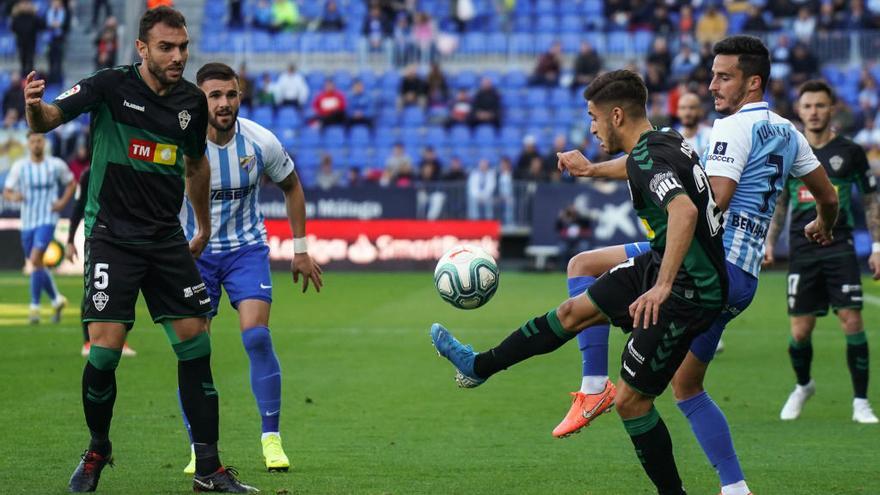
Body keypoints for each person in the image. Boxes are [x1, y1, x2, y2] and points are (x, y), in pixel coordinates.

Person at [553, 36, 839, 495]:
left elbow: (713, 198)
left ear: (753, 81)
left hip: (703, 265)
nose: (712, 86)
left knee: (584, 266)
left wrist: (670, 213)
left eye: (723, 77)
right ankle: (734, 488)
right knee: (687, 388)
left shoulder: (730, 129)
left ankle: (592, 385)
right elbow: (827, 196)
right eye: (712, 75)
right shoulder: (790, 133)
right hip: (742, 278)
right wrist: (822, 224)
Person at [432, 69, 732, 495]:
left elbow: (682, 211)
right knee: (573, 312)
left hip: (690, 290)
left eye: (593, 117)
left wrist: (663, 286)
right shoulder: (664, 139)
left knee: (632, 402)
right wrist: (591, 170)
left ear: (615, 115)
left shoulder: (651, 157)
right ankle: (479, 366)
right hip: (667, 262)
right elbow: (636, 167)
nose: (590, 127)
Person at [23, 7, 257, 492]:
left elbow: (195, 168)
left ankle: (209, 470)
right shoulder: (109, 85)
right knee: (105, 353)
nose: (178, 56)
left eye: (183, 47)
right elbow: (48, 121)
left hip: (166, 238)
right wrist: (32, 107)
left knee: (196, 345)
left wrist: (204, 226)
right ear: (142, 49)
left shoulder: (192, 103)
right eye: (167, 48)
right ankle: (97, 448)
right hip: (112, 235)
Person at [177, 62, 323, 473]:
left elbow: (292, 186)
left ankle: (271, 439)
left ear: (240, 96)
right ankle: (198, 446)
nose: (224, 103)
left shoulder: (261, 141)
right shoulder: (178, 144)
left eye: (231, 94)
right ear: (199, 99)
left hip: (246, 250)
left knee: (257, 338)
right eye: (214, 96)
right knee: (193, 352)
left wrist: (300, 249)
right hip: (194, 254)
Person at [765, 80, 880, 424]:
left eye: (820, 105)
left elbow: (872, 200)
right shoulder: (790, 153)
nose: (814, 112)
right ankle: (803, 386)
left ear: (832, 110)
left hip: (840, 247)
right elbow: (781, 202)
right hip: (802, 249)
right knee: (800, 331)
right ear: (799, 112)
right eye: (808, 106)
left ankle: (861, 402)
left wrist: (877, 246)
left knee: (852, 320)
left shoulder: (851, 152)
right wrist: (770, 242)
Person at [3, 131, 75, 324]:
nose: (36, 144)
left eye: (39, 140)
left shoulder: (55, 165)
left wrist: (62, 202)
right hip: (27, 221)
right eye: (33, 141)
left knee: (35, 259)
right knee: (37, 264)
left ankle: (34, 308)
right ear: (28, 144)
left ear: (45, 143)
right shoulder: (20, 167)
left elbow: (71, 183)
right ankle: (57, 299)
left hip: (47, 218)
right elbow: (7, 191)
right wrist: (14, 197)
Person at [67, 167, 138, 358]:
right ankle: (88, 341)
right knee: (94, 290)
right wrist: (69, 240)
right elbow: (79, 206)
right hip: (98, 239)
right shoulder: (89, 174)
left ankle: (121, 341)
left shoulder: (129, 169)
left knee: (125, 289)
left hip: (127, 237)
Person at [674, 92, 711, 156]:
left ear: (700, 111)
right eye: (683, 108)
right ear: (678, 112)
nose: (687, 113)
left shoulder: (710, 135)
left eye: (692, 108)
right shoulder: (673, 138)